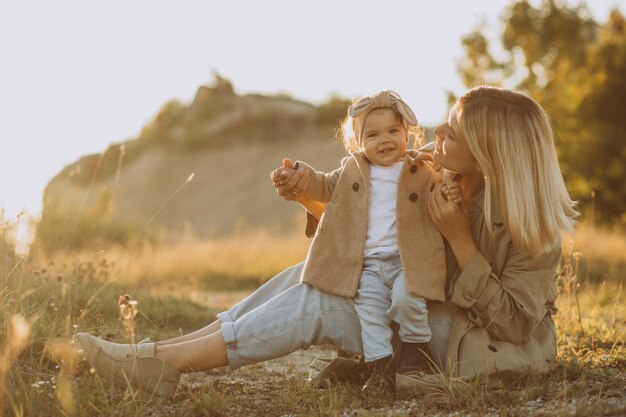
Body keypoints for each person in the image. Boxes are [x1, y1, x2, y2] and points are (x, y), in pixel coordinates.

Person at [72, 85, 578, 401]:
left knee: (317, 303)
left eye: (455, 130)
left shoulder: (531, 225)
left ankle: (164, 365)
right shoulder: (438, 177)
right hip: (419, 306)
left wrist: (460, 242)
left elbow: (514, 323)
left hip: (465, 343)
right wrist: (308, 199)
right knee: (308, 274)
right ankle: (153, 354)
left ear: (491, 152)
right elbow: (370, 229)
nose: (438, 131)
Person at [270, 90, 446, 393]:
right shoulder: (353, 170)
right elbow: (323, 185)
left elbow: (442, 190)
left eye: (393, 131)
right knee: (370, 314)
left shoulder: (419, 168)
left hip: (408, 262)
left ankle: (417, 356)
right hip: (369, 265)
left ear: (408, 134)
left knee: (408, 300)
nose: (385, 139)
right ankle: (381, 368)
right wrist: (300, 176)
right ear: (357, 143)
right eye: (374, 134)